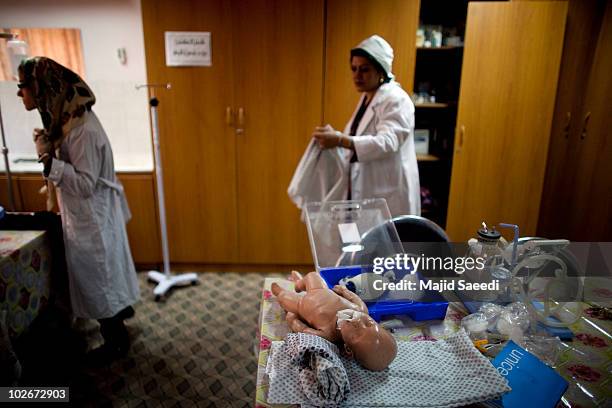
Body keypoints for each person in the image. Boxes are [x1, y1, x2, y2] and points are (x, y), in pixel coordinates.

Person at [16, 57, 140, 363]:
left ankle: (116, 341)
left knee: (98, 278)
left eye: (23, 86)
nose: (20, 94)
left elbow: (84, 184)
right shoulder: (70, 120)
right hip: (92, 215)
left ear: (44, 88)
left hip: (92, 218)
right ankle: (118, 314)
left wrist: (48, 161)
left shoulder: (81, 131)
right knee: (104, 274)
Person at [312, 35, 421, 216]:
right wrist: (338, 136)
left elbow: (388, 142)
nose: (356, 75)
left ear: (381, 71)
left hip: (389, 193)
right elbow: (359, 136)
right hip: (366, 189)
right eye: (353, 69)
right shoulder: (368, 97)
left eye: (364, 70)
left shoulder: (396, 99)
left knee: (386, 242)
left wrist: (340, 139)